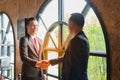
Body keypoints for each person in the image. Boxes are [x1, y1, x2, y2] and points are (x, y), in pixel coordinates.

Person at [43, 13, 90, 80]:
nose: (68, 26)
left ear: (72, 24)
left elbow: (73, 66)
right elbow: (67, 57)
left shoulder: (76, 40)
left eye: (68, 23)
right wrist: (50, 62)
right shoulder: (83, 38)